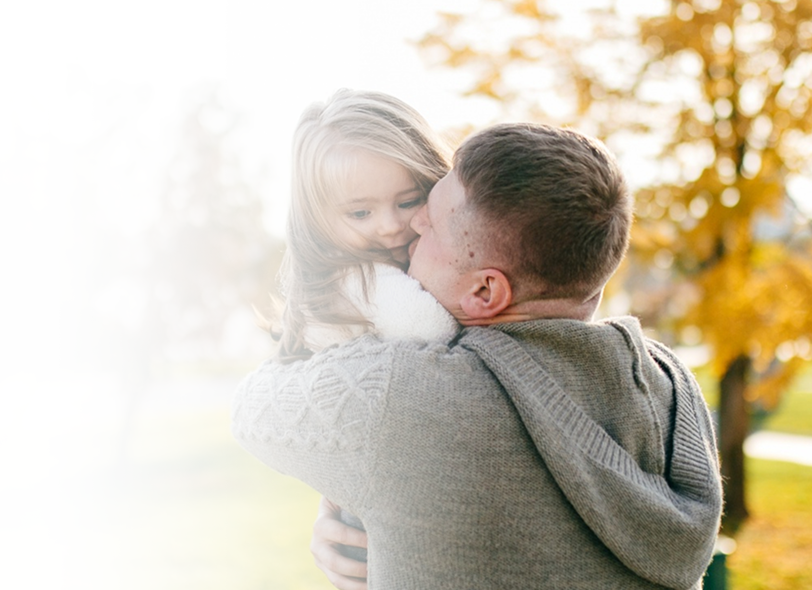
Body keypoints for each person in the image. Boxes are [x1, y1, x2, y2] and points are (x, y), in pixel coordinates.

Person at [232, 118, 723, 589]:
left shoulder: (402, 397)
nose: (409, 226)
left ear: (486, 293)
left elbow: (252, 408)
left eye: (431, 224)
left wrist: (341, 494)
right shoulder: (671, 385)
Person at [274, 88, 459, 363]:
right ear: (315, 220)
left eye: (409, 202)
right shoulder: (356, 280)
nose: (390, 226)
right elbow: (432, 329)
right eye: (360, 213)